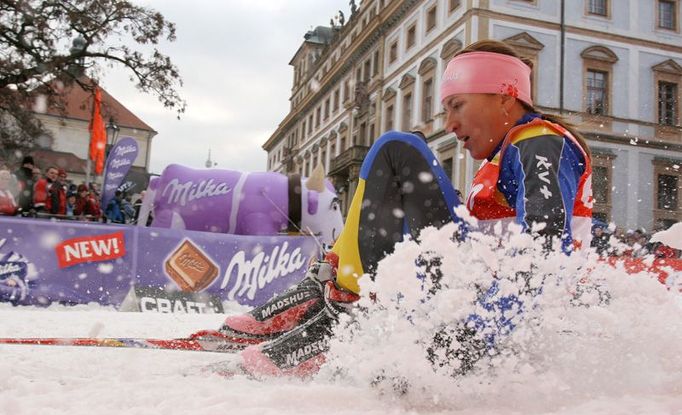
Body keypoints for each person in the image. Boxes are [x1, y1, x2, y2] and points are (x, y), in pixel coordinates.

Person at [203, 39, 593, 378]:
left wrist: (467, 341)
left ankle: (346, 315)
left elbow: (544, 251)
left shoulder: (539, 142)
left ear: (506, 97)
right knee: (400, 155)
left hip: (491, 326)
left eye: (457, 106)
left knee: (398, 150)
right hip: (476, 307)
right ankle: (331, 297)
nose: (450, 124)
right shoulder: (506, 153)